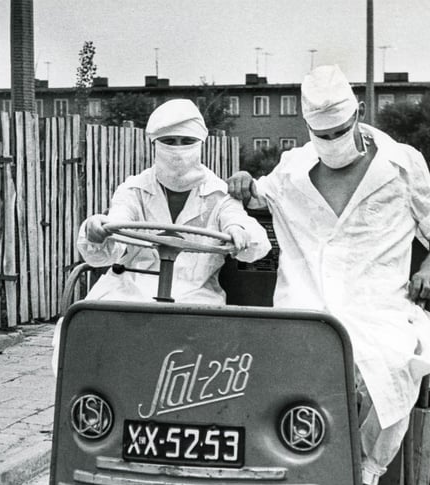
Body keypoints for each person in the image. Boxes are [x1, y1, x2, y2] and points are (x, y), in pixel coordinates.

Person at [226, 65, 430, 485]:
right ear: (307, 127)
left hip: (378, 308)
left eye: (339, 131)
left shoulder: (400, 164)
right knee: (276, 381)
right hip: (304, 308)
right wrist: (243, 185)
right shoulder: (293, 170)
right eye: (322, 134)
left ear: (358, 114)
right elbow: (258, 196)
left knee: (390, 369)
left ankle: (361, 478)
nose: (332, 142)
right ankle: (282, 469)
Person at [51, 98, 271, 371]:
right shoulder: (134, 190)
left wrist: (238, 231)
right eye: (169, 141)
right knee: (82, 330)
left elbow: (247, 231)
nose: (178, 150)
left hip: (194, 292)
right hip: (130, 289)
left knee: (207, 348)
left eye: (186, 141)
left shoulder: (218, 194)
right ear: (154, 144)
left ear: (201, 143)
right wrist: (99, 229)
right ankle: (95, 406)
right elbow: (117, 226)